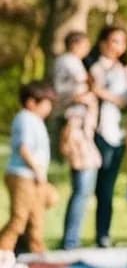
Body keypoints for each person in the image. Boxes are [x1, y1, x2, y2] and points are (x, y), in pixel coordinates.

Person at [87, 24, 127, 247]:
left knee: (107, 188)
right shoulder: (92, 66)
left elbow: (125, 100)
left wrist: (99, 91)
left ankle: (103, 234)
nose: (119, 46)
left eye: (122, 42)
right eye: (114, 41)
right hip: (94, 131)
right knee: (89, 187)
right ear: (103, 42)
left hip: (116, 133)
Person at [0, 82, 55, 255]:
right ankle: (3, 254)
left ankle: (34, 253)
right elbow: (24, 148)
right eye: (46, 103)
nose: (49, 107)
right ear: (32, 102)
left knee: (38, 214)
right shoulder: (25, 118)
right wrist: (37, 169)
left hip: (33, 176)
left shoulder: (35, 120)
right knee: (19, 219)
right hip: (23, 175)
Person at [57, 86, 102, 253]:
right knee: (80, 196)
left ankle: (72, 239)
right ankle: (70, 241)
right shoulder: (76, 112)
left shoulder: (85, 109)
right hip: (82, 157)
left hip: (87, 156)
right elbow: (71, 134)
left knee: (82, 196)